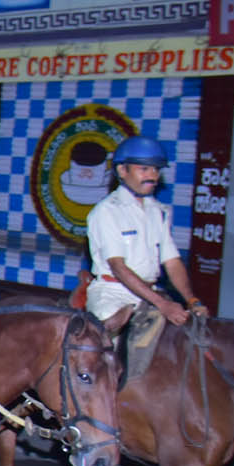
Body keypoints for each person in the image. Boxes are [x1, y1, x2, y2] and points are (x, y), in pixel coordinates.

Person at [84, 135, 209, 327]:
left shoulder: (159, 211)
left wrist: (192, 301)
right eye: (143, 169)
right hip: (112, 295)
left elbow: (172, 262)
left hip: (150, 294)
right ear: (122, 170)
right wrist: (163, 304)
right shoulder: (107, 211)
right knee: (105, 346)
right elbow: (118, 266)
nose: (152, 175)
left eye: (156, 169)